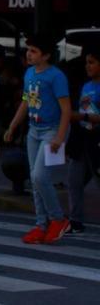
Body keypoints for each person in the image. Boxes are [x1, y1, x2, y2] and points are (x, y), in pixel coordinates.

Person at [3, 35, 72, 244]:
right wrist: (13, 125)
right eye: (28, 50)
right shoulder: (29, 73)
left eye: (33, 51)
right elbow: (26, 102)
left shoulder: (56, 76)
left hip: (51, 130)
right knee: (34, 179)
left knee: (40, 176)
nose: (28, 54)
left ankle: (58, 219)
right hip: (34, 130)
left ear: (47, 55)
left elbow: (66, 109)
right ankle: (41, 225)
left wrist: (60, 137)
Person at [67, 46, 100, 234]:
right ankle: (75, 220)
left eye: (92, 62)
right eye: (86, 62)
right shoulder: (85, 86)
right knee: (74, 181)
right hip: (82, 140)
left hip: (97, 141)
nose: (88, 66)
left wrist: (82, 117)